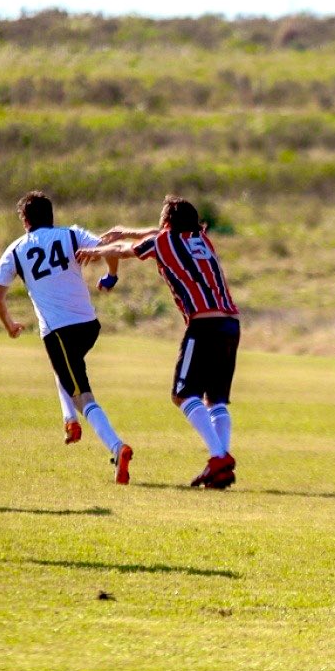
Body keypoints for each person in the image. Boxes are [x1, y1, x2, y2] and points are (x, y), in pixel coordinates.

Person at [78, 196, 239, 489]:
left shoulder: (163, 241)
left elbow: (125, 251)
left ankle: (218, 457)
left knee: (183, 393)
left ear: (166, 223)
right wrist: (125, 230)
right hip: (230, 323)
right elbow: (154, 233)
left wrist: (95, 249)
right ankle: (221, 466)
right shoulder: (201, 239)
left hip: (203, 324)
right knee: (215, 398)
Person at [0, 191, 133, 483]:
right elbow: (110, 248)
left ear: (24, 220)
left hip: (59, 331)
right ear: (51, 215)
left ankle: (117, 447)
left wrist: (9, 324)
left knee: (83, 396)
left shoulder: (16, 249)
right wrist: (111, 276)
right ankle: (70, 420)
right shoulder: (72, 234)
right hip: (88, 325)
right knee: (63, 367)